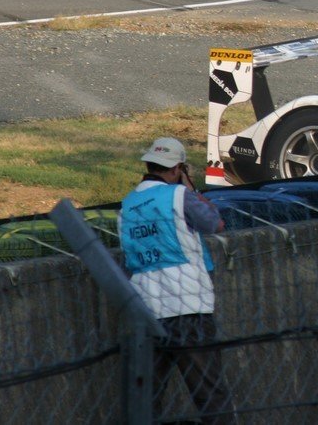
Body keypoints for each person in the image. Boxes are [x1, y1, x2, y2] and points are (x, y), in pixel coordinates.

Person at [119, 137, 236, 424]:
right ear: (177, 169)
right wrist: (190, 188)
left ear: (149, 165)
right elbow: (214, 223)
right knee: (210, 395)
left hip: (146, 310)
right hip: (187, 307)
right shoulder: (178, 195)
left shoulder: (127, 207)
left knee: (147, 398)